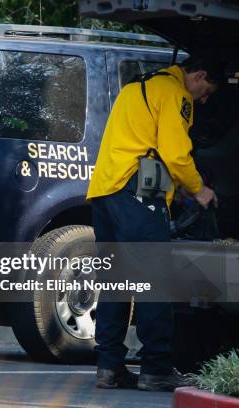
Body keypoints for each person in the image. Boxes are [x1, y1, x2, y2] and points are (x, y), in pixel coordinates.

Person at [86, 56, 222, 391]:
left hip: (105, 189)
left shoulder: (136, 86)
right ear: (199, 74)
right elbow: (176, 154)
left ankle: (109, 367)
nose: (202, 100)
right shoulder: (174, 92)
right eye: (205, 91)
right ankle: (157, 368)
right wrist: (199, 189)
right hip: (136, 190)